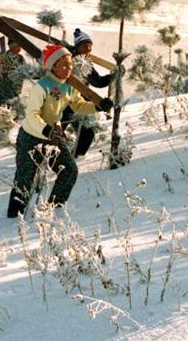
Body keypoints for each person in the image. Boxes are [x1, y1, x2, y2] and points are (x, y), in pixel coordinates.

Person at [7, 44, 113, 218]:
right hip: (31, 136)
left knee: (69, 170)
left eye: (70, 64)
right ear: (53, 66)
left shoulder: (70, 85)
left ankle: (54, 209)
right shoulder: (42, 86)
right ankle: (14, 216)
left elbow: (78, 105)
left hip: (53, 135)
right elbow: (32, 114)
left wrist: (98, 106)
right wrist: (46, 130)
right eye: (64, 65)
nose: (69, 68)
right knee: (25, 178)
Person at [61, 28, 119, 157]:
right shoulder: (67, 60)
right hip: (63, 102)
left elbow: (97, 82)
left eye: (90, 46)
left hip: (81, 102)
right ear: (77, 47)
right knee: (56, 131)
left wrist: (113, 76)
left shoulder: (86, 63)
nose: (88, 49)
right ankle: (47, 157)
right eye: (84, 46)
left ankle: (76, 157)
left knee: (87, 132)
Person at [0, 39, 25, 106]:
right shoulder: (0, 58)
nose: (20, 49)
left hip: (15, 95)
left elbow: (26, 73)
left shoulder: (20, 59)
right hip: (2, 96)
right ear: (12, 46)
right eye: (18, 46)